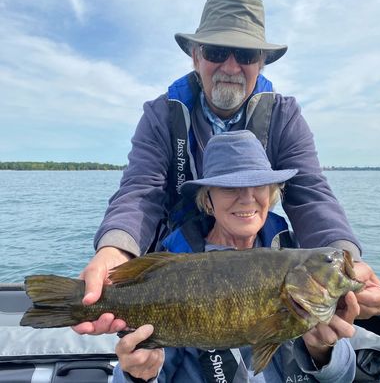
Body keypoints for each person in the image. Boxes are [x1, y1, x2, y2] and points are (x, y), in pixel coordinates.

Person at [73, 0, 380, 336]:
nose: (231, 67)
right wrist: (116, 251)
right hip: (177, 266)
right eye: (217, 52)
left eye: (247, 55)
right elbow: (141, 190)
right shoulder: (161, 115)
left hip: (255, 268)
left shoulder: (284, 116)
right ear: (196, 57)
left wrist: (345, 261)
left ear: (262, 63)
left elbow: (310, 193)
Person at [112, 130, 359, 383]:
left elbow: (343, 376)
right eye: (230, 187)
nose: (247, 198)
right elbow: (144, 372)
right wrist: (137, 375)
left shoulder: (299, 257)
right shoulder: (177, 263)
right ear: (208, 198)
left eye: (259, 185)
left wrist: (324, 350)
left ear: (272, 193)